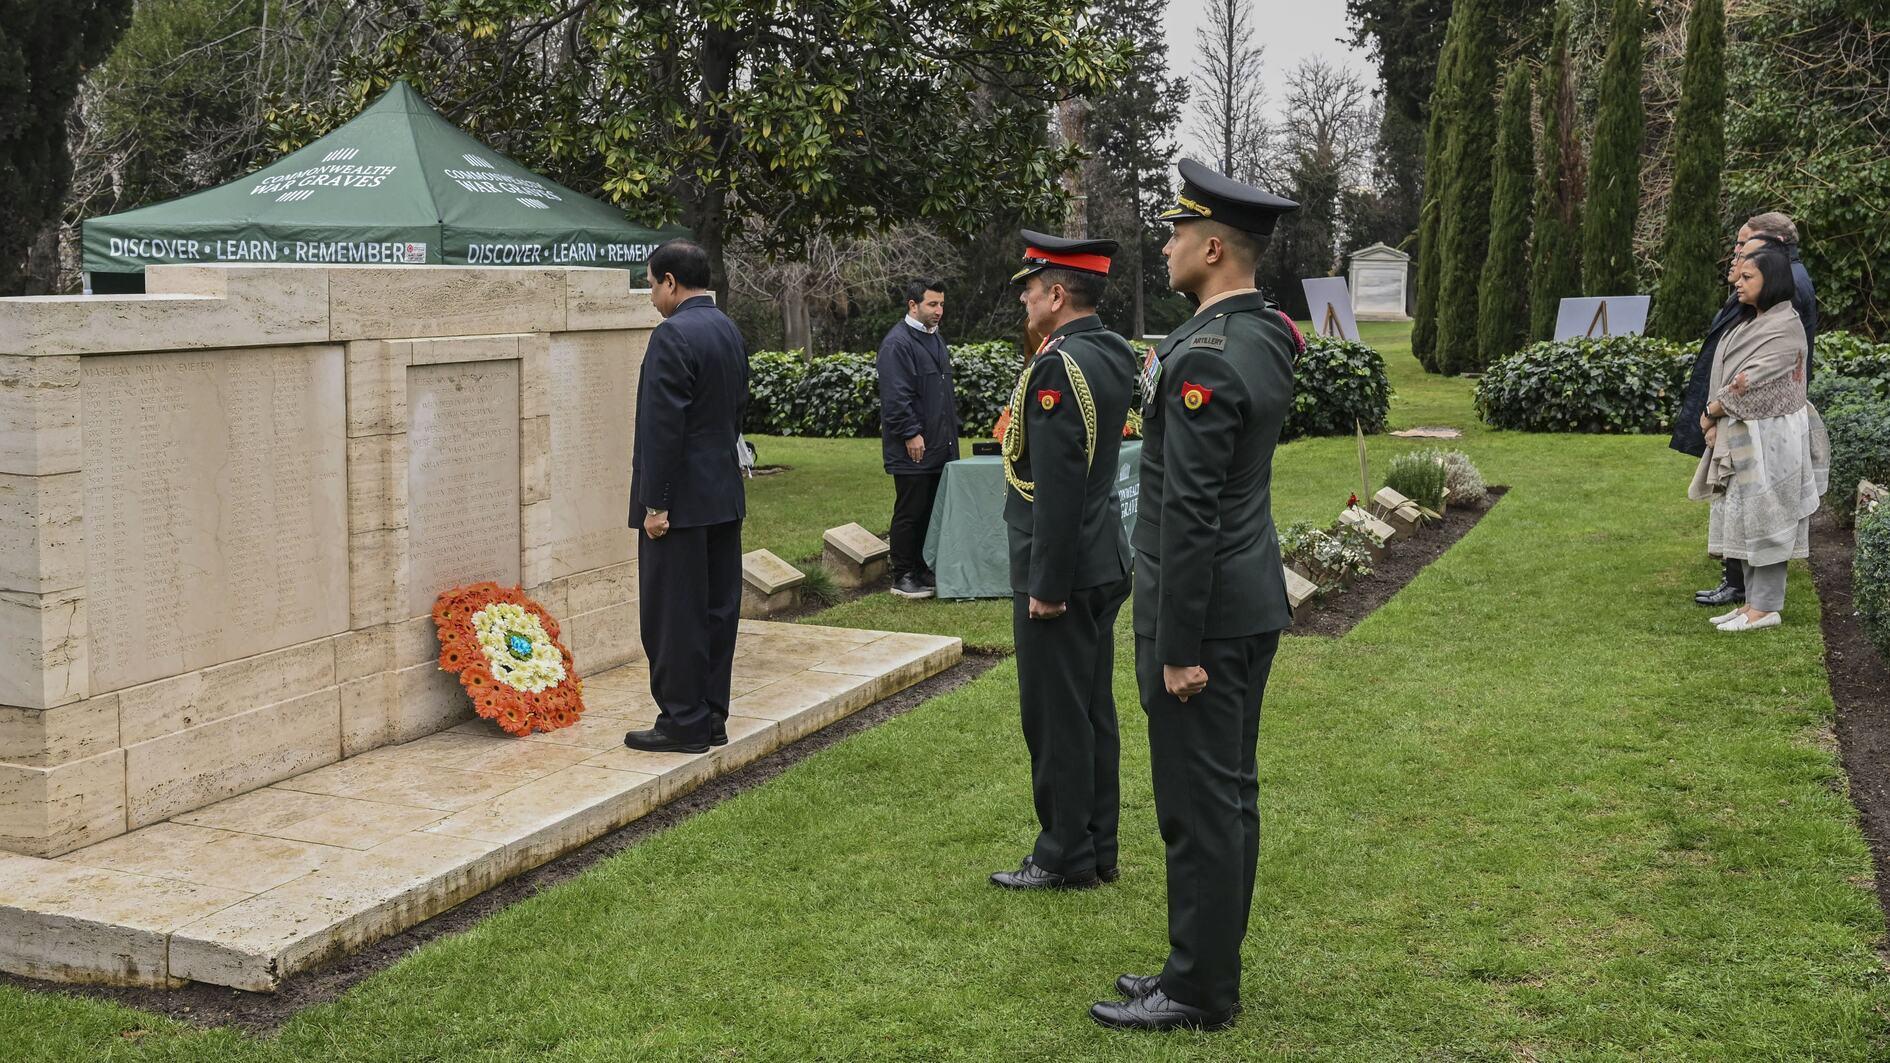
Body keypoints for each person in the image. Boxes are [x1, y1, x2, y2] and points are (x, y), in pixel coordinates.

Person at [1090, 159, 1300, 1033]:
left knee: (1199, 805)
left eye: (1178, 233)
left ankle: (1200, 989)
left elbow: (1189, 516)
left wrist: (1177, 649)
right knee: (1227, 796)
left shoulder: (1204, 359)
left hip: (1205, 620)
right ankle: (1201, 963)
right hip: (1247, 601)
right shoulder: (1263, 334)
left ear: (1214, 249)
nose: (1167, 245)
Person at [988, 231, 1138, 892]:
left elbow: (1057, 484)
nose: (1023, 298)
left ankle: (1063, 853)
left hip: (1064, 570)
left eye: (1030, 287)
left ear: (1056, 294)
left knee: (1055, 716)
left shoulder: (1057, 366)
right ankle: (1098, 845)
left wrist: (1046, 584)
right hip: (1102, 557)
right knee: (1091, 709)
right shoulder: (1111, 350)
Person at [624, 240, 750, 754]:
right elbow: (735, 411)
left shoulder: (671, 335)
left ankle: (682, 722)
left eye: (652, 285)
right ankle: (712, 716)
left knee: (674, 615)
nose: (652, 295)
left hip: (680, 506)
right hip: (722, 495)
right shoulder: (727, 329)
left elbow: (662, 427)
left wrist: (656, 504)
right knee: (717, 612)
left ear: (671, 282)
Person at [1673, 212, 1819, 607]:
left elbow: (1755, 377)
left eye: (1745, 252)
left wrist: (1712, 412)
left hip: (1764, 429)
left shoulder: (1785, 306)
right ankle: (1748, 596)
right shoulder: (1760, 306)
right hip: (1744, 424)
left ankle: (1758, 604)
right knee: (1742, 507)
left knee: (1762, 512)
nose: (1737, 265)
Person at [876, 279, 960, 599]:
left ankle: (922, 567)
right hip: (912, 447)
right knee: (910, 510)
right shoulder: (897, 343)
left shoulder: (934, 338)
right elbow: (896, 397)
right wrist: (911, 433)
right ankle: (902, 574)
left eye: (942, 304)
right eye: (932, 304)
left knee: (929, 510)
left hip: (939, 444)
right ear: (913, 305)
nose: (939, 311)